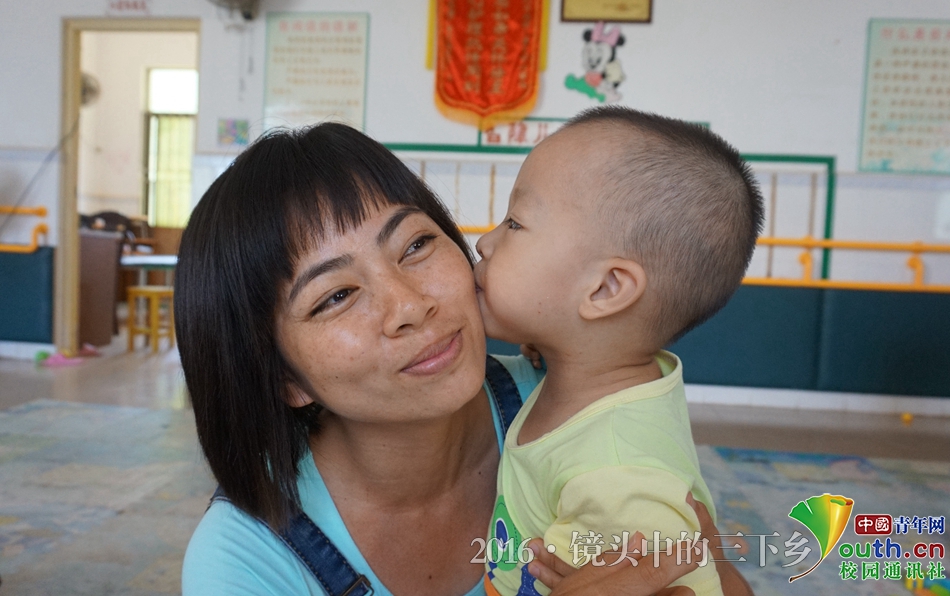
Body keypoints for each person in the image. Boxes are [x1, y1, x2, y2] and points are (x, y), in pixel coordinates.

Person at [176, 122, 752, 595]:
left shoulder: (580, 409)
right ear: (282, 377)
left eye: (417, 245)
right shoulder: (246, 562)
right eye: (335, 296)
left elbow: (705, 573)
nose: (409, 305)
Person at [473, 106, 764, 596]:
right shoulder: (595, 372)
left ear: (606, 289)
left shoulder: (619, 479)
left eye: (515, 224)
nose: (485, 242)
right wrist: (552, 340)